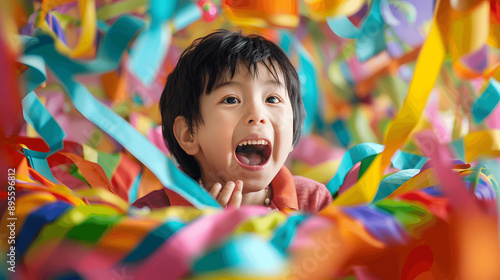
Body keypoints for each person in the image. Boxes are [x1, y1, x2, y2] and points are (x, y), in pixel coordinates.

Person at [133, 30, 332, 212]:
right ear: (189, 134)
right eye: (231, 100)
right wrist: (198, 235)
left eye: (272, 99)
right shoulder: (151, 214)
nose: (257, 114)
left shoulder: (313, 203)